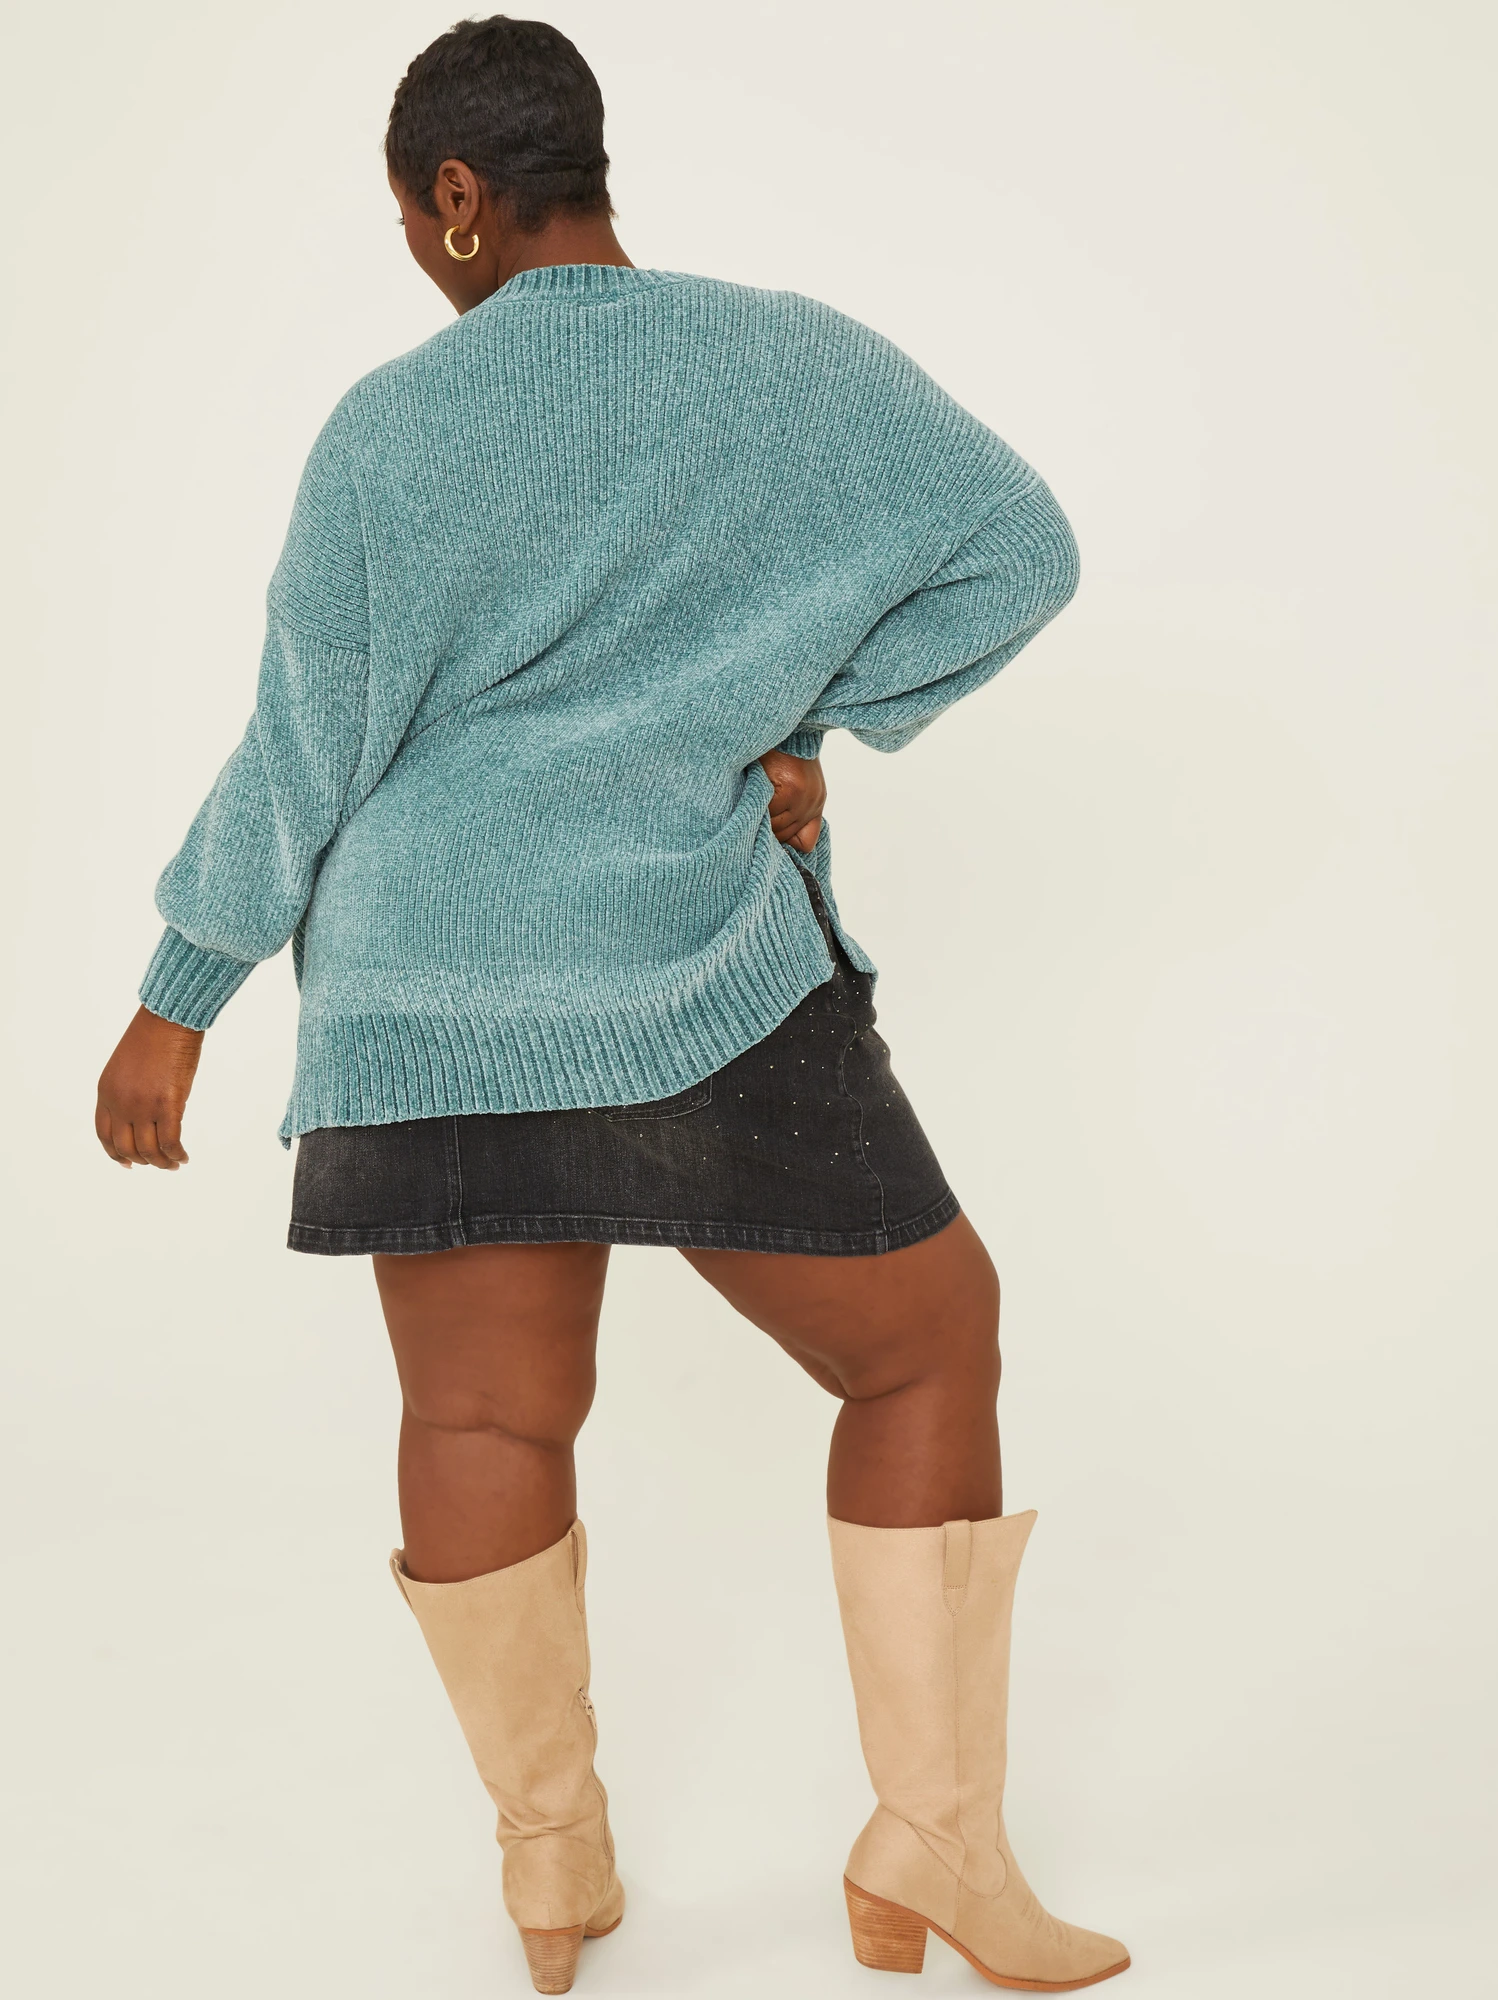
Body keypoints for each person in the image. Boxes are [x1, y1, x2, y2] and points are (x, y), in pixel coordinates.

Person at [95, 16, 1128, 1995]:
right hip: (693, 965)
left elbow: (304, 746)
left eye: (411, 219)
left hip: (424, 982)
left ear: (457, 196)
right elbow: (1020, 550)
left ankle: (551, 1869)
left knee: (481, 1410)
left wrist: (179, 996)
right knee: (925, 1348)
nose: (417, 256)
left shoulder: (389, 428)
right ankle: (933, 1841)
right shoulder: (795, 363)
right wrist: (800, 722)